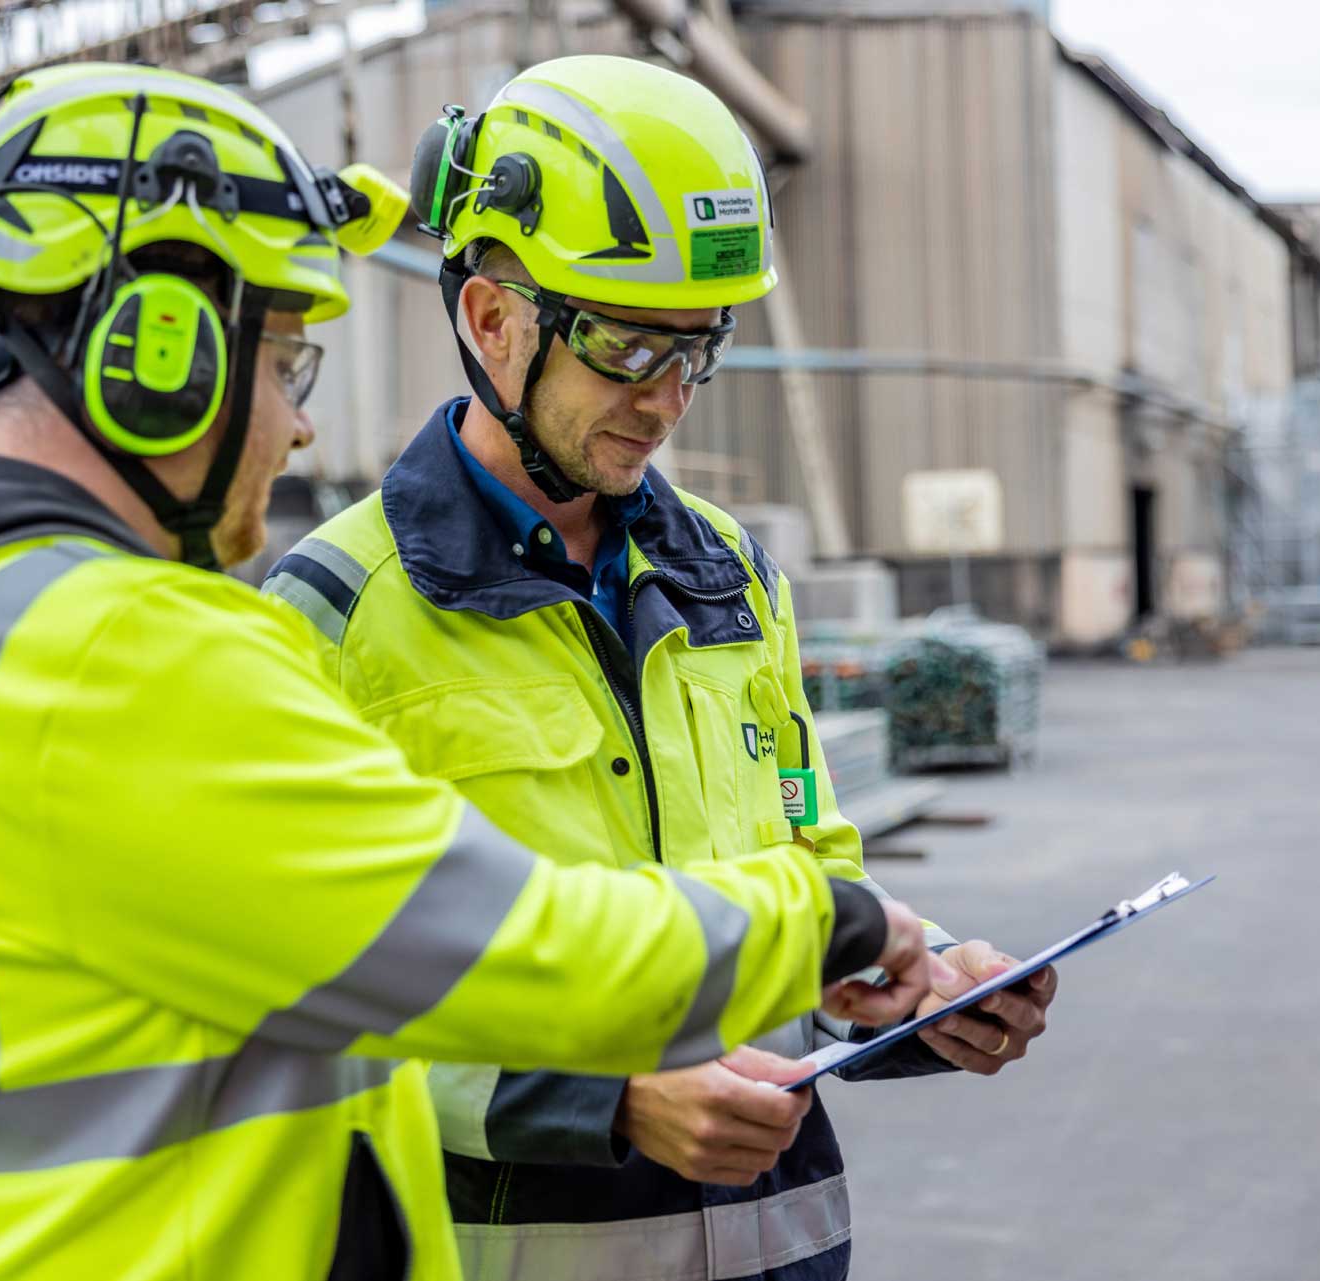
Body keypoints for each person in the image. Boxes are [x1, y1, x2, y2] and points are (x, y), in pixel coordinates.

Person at [0, 63, 942, 1281]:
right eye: (282, 363)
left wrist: (889, 977)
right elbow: (530, 947)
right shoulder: (122, 653)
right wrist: (841, 924)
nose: (298, 423)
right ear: (162, 353)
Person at [264, 56, 1057, 1281]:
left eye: (702, 349)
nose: (671, 400)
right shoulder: (336, 612)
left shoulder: (730, 575)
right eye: (633, 348)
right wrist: (605, 1099)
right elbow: (291, 1009)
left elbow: (808, 871)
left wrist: (912, 984)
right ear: (493, 318)